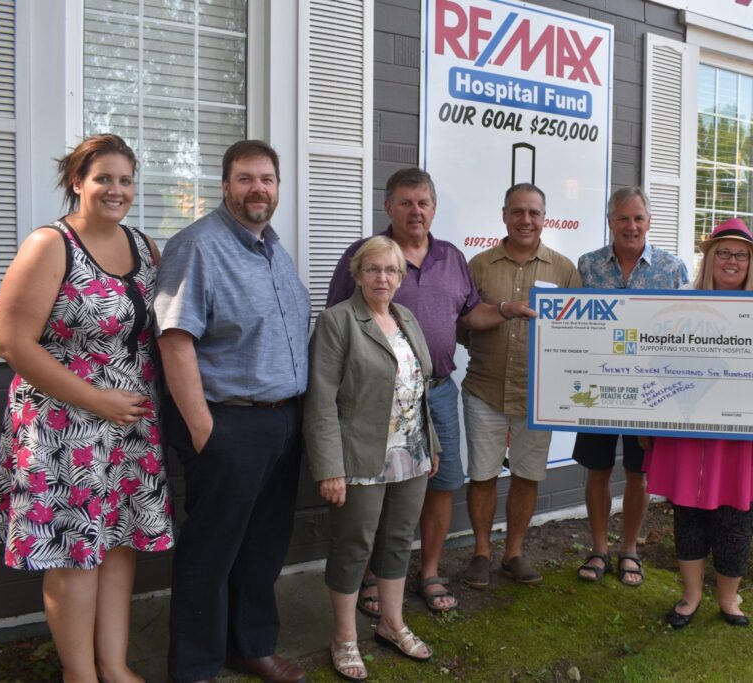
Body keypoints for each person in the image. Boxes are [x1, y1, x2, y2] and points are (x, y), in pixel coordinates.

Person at [0, 134, 174, 683]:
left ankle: (113, 667)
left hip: (128, 428)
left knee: (117, 546)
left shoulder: (144, 248)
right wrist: (97, 400)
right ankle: (80, 675)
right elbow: (10, 343)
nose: (116, 190)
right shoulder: (51, 245)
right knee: (74, 553)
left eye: (125, 180)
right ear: (77, 182)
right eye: (104, 179)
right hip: (61, 426)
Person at [326, 168, 532, 614]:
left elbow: (470, 316)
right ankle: (371, 577)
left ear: (434, 209)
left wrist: (506, 311)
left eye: (423, 203)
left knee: (440, 482)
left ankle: (429, 571)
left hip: (437, 392)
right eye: (406, 202)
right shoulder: (364, 256)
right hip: (375, 399)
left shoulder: (453, 258)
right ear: (388, 207)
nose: (415, 211)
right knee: (377, 489)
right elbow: (338, 323)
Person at [155, 140, 310, 683]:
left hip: (282, 421)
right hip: (229, 423)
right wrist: (204, 429)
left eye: (267, 179)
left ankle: (250, 645)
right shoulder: (197, 245)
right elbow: (175, 340)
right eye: (245, 178)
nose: (257, 189)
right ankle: (195, 668)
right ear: (225, 185)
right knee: (212, 553)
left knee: (263, 547)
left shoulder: (272, 248)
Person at [307, 236, 441, 682]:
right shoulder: (337, 321)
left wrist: (431, 447)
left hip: (412, 453)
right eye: (373, 270)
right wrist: (330, 468)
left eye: (390, 271)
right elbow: (321, 401)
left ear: (401, 278)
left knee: (399, 540)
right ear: (357, 274)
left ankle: (391, 622)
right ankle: (344, 638)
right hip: (360, 457)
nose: (382, 278)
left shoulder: (406, 320)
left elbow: (420, 390)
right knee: (354, 544)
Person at [643, 218, 753, 629]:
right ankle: (690, 596)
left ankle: (728, 599)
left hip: (741, 437)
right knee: (687, 511)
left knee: (735, 516)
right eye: (723, 252)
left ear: (750, 263)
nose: (732, 261)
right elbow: (657, 362)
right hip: (685, 430)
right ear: (708, 258)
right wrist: (646, 423)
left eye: (741, 255)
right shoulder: (679, 305)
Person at [461, 183, 581, 588]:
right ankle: (481, 551)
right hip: (485, 389)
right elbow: (463, 325)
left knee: (528, 474)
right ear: (504, 215)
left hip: (537, 395)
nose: (525, 220)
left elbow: (579, 331)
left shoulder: (564, 270)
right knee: (482, 475)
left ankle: (513, 552)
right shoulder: (478, 265)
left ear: (544, 218)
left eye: (534, 213)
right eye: (518, 212)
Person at [573, 187, 689, 587]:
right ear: (610, 222)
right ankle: (599, 548)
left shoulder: (672, 269)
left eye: (639, 218)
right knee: (597, 468)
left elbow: (685, 329)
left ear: (649, 222)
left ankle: (630, 550)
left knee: (638, 473)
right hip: (598, 384)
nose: (631, 225)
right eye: (623, 218)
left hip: (649, 392)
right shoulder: (588, 267)